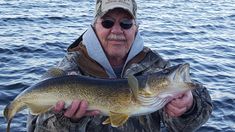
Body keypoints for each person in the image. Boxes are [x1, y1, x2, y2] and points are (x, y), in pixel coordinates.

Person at [27, 0, 212, 131]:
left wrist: (189, 106)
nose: (116, 31)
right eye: (107, 22)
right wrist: (66, 123)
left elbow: (183, 125)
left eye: (125, 23)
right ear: (93, 26)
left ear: (136, 28)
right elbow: (35, 127)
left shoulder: (156, 67)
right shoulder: (67, 71)